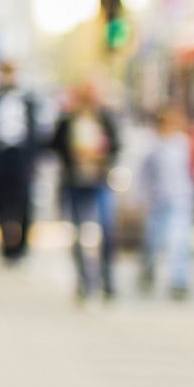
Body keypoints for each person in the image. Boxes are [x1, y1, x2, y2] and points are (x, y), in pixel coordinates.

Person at [51, 80, 122, 303]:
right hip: (75, 182)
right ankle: (85, 282)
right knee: (79, 234)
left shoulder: (105, 118)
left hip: (99, 181)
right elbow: (55, 145)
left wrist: (102, 158)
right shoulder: (69, 120)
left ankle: (107, 280)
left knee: (106, 232)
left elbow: (117, 146)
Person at [0, 63, 39, 264]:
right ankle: (6, 245)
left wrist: (33, 160)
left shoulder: (27, 100)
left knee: (23, 202)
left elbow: (35, 133)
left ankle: (22, 245)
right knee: (0, 202)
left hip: (20, 157)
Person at [136, 108, 194, 298]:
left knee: (180, 242)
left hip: (181, 199)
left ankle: (179, 281)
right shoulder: (153, 145)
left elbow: (190, 171)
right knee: (154, 241)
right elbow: (144, 174)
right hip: (158, 200)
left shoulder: (183, 143)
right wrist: (143, 196)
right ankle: (148, 270)